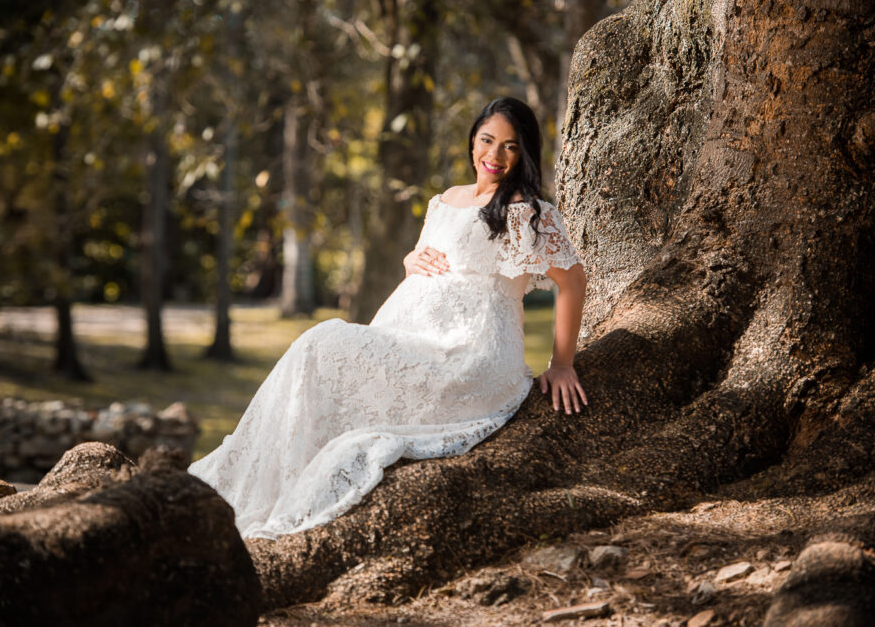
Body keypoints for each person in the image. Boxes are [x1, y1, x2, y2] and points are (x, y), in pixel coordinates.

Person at [189, 97, 587, 540]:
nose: (494, 156)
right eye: (487, 141)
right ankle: (262, 479)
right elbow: (429, 259)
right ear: (472, 140)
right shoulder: (446, 200)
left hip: (469, 354)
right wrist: (410, 259)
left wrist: (563, 363)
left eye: (510, 147)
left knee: (321, 342)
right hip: (414, 336)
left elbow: (572, 282)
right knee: (314, 353)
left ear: (524, 152)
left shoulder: (525, 211)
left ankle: (275, 491)